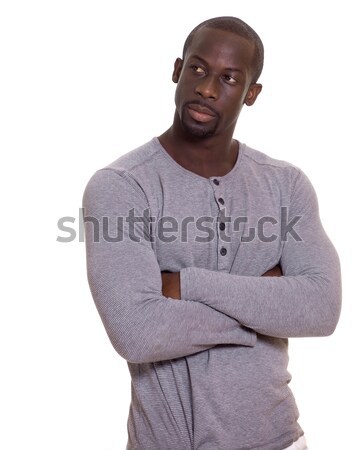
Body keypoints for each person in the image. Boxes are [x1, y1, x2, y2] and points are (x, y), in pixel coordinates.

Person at [83, 16, 341, 450]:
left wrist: (185, 285)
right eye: (198, 70)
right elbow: (136, 330)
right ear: (177, 71)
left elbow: (321, 307)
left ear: (251, 94)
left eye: (228, 78)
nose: (206, 88)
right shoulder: (122, 185)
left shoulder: (286, 185)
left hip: (278, 440)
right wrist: (262, 309)